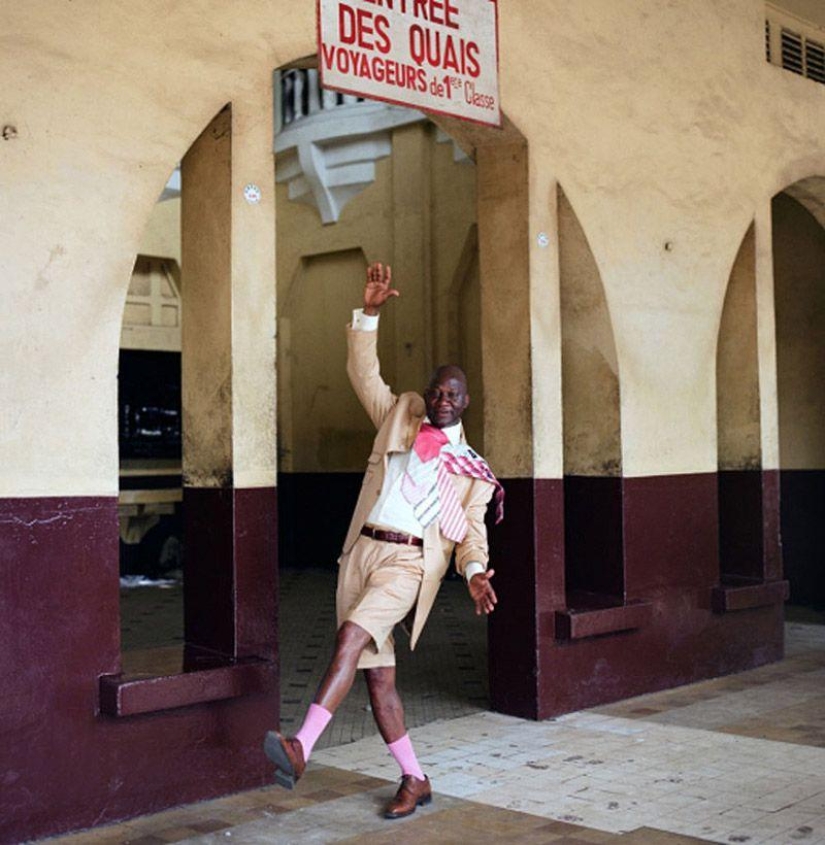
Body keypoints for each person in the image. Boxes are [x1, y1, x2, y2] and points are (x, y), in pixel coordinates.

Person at [264, 261, 503, 820]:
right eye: (436, 390)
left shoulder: (473, 471)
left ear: (465, 403)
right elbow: (364, 375)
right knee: (379, 683)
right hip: (361, 553)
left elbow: (469, 537)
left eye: (453, 393)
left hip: (409, 565)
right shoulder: (397, 416)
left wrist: (474, 575)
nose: (442, 398)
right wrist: (368, 313)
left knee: (351, 637)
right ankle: (415, 779)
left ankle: (301, 748)